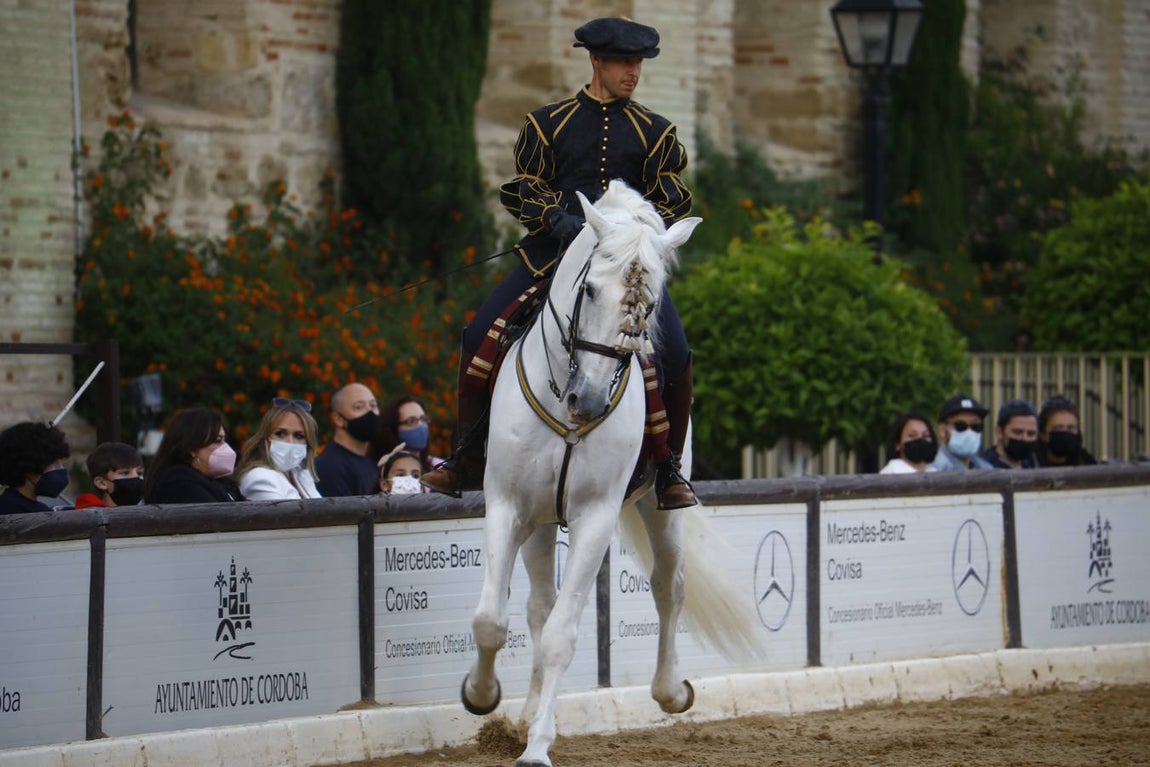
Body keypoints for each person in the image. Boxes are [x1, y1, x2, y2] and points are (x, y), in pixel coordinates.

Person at [421, 16, 697, 510]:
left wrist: (636, 228)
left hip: (622, 267)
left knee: (674, 353)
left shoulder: (656, 131)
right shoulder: (547, 122)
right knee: (477, 333)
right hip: (552, 255)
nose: (633, 72)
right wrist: (557, 218)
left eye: (638, 63)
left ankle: (670, 467)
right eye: (623, 62)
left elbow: (673, 198)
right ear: (596, 61)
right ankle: (466, 457)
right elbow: (523, 186)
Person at [144, 408, 243, 504]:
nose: (225, 448)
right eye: (217, 441)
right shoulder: (179, 482)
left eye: (224, 440)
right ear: (192, 448)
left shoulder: (221, 481)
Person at [236, 398, 321, 500]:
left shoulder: (302, 473)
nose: (290, 442)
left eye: (299, 436)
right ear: (266, 437)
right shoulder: (260, 478)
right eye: (280, 434)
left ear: (308, 442)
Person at [315, 382, 381, 497]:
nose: (369, 412)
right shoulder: (331, 467)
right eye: (359, 407)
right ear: (338, 419)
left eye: (373, 405)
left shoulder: (371, 462)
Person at [0, 421, 71, 514]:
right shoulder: (16, 512)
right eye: (53, 462)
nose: (61, 468)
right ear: (29, 466)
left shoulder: (11, 503)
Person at [369, 395, 444, 473]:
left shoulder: (439, 468)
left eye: (423, 419)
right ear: (393, 428)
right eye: (411, 421)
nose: (421, 425)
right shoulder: (377, 469)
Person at [931, 393, 994, 471]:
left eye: (975, 427)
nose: (969, 432)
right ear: (942, 430)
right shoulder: (934, 471)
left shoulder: (986, 469)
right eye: (960, 426)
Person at [75, 442, 144, 509]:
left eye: (139, 473)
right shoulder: (87, 518)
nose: (136, 477)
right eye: (124, 473)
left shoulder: (148, 514)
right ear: (101, 483)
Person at [1037, 396, 1098, 467]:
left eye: (1070, 428)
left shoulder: (1087, 463)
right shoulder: (1031, 463)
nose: (1065, 432)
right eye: (1058, 428)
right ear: (1042, 434)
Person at [980, 399, 1039, 469]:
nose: (1025, 438)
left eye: (1031, 434)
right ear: (999, 432)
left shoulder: (1033, 464)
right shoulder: (983, 466)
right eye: (1017, 432)